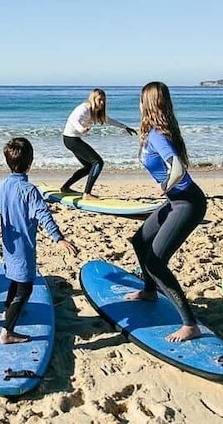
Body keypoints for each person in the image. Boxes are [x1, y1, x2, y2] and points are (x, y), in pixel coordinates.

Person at [121, 82, 207, 342]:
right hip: (175, 202)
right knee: (140, 240)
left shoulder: (158, 134)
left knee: (156, 262)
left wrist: (165, 186)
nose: (137, 104)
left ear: (147, 103)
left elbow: (178, 168)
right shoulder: (152, 132)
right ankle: (149, 290)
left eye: (140, 100)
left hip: (187, 203)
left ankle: (189, 324)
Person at [0, 137, 78, 344]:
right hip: (24, 248)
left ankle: (8, 310)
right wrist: (58, 238)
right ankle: (7, 332)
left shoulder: (0, 186)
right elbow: (44, 215)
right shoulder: (29, 190)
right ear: (30, 162)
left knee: (16, 281)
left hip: (9, 246)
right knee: (25, 288)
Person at [60, 88, 136, 200]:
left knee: (89, 166)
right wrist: (81, 129)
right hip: (71, 139)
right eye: (100, 100)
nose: (102, 102)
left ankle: (65, 187)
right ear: (93, 99)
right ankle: (87, 194)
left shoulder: (96, 111)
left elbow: (109, 120)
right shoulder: (84, 108)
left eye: (104, 100)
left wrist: (125, 127)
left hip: (72, 139)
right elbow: (73, 119)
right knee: (98, 162)